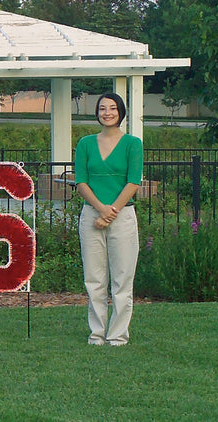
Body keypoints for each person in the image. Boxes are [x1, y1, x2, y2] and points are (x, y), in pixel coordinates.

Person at [74, 93, 142, 346]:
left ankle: (118, 335)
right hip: (92, 215)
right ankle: (97, 333)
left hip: (122, 217)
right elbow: (81, 181)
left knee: (122, 279)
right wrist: (101, 209)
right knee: (94, 278)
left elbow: (133, 181)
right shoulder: (85, 143)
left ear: (121, 112)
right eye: (102, 108)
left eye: (112, 108)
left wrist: (111, 211)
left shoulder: (132, 144)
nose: (107, 112)